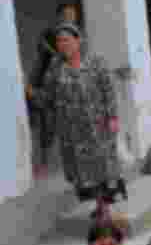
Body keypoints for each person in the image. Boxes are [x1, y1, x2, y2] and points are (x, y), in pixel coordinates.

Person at [43, 20, 127, 220]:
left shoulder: (96, 62)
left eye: (67, 39)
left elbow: (108, 90)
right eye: (59, 41)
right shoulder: (56, 67)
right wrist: (29, 92)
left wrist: (112, 116)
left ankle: (105, 209)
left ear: (78, 40)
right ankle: (100, 205)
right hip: (72, 131)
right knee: (84, 173)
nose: (63, 44)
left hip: (97, 127)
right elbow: (49, 95)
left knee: (103, 168)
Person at [25, 2, 81, 177]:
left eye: (73, 16)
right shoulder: (48, 35)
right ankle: (43, 164)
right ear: (59, 17)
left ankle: (75, 162)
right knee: (44, 125)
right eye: (67, 16)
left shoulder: (75, 36)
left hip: (67, 84)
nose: (71, 19)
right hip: (45, 84)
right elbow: (46, 57)